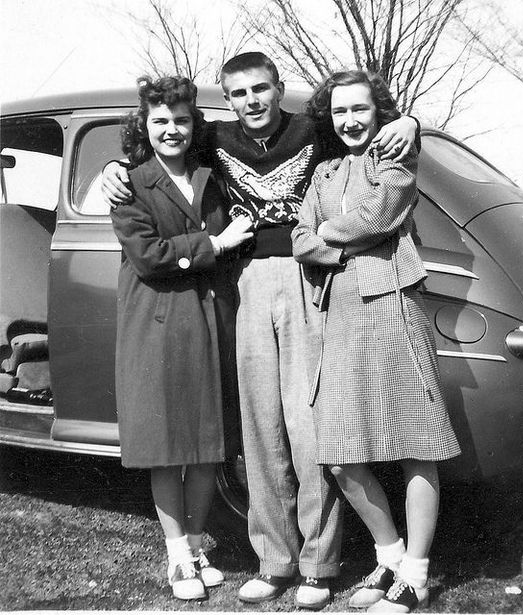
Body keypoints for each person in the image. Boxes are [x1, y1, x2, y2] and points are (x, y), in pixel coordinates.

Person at [102, 52, 420, 610]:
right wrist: (113, 168)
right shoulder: (213, 139)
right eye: (239, 92)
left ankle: (318, 566)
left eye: (261, 89)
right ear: (226, 99)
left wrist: (408, 122)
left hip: (307, 277)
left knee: (307, 424)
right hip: (243, 281)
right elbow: (156, 142)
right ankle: (273, 561)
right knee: (259, 427)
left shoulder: (313, 130)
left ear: (279, 89)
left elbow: (367, 128)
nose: (252, 101)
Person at [291, 70, 461, 614]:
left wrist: (323, 233)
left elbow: (378, 215)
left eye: (359, 109)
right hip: (340, 312)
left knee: (415, 443)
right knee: (340, 452)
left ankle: (417, 573)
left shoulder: (395, 157)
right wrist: (329, 247)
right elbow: (300, 236)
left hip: (392, 306)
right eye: (339, 112)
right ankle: (389, 555)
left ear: (378, 110)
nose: (350, 121)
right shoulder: (324, 170)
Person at [110, 75, 253, 601]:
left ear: (196, 126)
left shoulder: (212, 176)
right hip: (161, 327)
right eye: (160, 121)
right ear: (144, 127)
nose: (171, 130)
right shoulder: (130, 183)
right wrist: (213, 242)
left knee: (207, 446)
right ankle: (177, 558)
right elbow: (149, 256)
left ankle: (195, 546)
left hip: (212, 321)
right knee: (169, 448)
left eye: (181, 120)